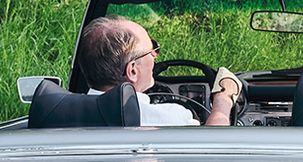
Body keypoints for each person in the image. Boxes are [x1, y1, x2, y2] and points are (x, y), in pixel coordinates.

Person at [75, 16, 238, 126]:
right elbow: (211, 151)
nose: (154, 56)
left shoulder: (63, 115)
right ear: (132, 71)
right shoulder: (169, 118)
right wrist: (224, 99)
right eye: (151, 51)